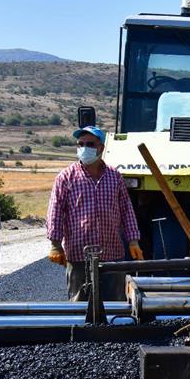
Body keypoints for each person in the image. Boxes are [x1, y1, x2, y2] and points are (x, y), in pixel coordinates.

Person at [46, 125, 143, 300]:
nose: (84, 148)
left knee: (114, 304)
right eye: (80, 144)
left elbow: (126, 210)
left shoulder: (115, 176)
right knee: (79, 304)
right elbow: (55, 210)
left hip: (112, 253)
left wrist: (133, 241)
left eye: (90, 144)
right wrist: (55, 244)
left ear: (101, 148)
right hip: (78, 254)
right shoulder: (66, 177)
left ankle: (113, 328)